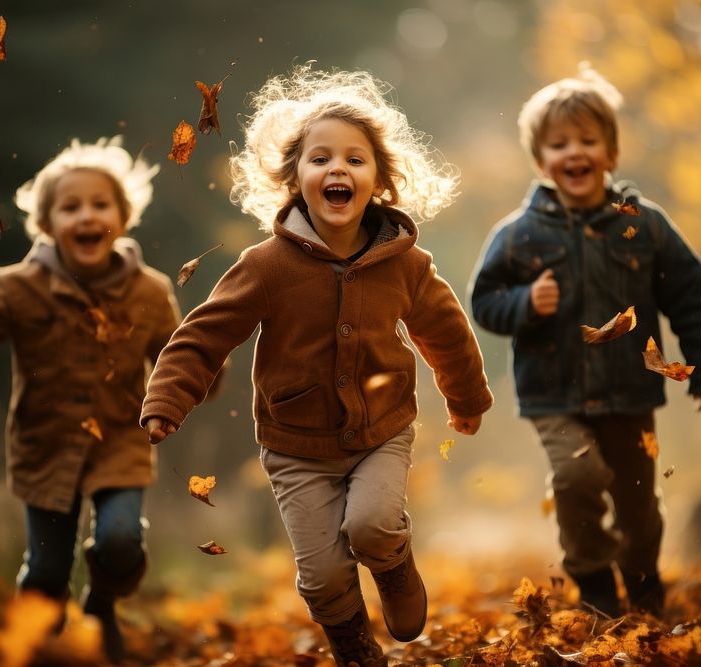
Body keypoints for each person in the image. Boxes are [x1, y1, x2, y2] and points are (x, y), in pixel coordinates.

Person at [141, 65, 493, 666]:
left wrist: (466, 400)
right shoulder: (266, 265)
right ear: (293, 177)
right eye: (320, 158)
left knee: (373, 526)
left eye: (355, 160)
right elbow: (204, 335)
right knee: (324, 572)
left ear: (379, 179)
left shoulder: (405, 263)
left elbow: (447, 333)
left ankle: (396, 568)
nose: (338, 169)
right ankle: (353, 640)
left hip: (380, 431)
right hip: (295, 445)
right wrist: (167, 399)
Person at [0, 137, 179, 663]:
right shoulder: (18, 286)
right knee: (45, 572)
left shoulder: (151, 292)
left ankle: (103, 603)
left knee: (120, 542)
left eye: (100, 204)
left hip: (120, 444)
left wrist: (202, 378)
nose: (87, 215)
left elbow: (180, 356)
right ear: (46, 224)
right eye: (70, 207)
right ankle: (38, 645)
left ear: (124, 217)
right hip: (45, 448)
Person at [469, 64, 701, 618]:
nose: (574, 152)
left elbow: (691, 296)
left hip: (630, 392)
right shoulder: (517, 234)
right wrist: (523, 305)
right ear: (541, 160)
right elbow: (484, 302)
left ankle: (642, 586)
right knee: (576, 474)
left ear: (610, 153)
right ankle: (590, 582)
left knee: (639, 506)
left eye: (588, 140)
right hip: (555, 395)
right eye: (559, 144)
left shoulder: (647, 224)